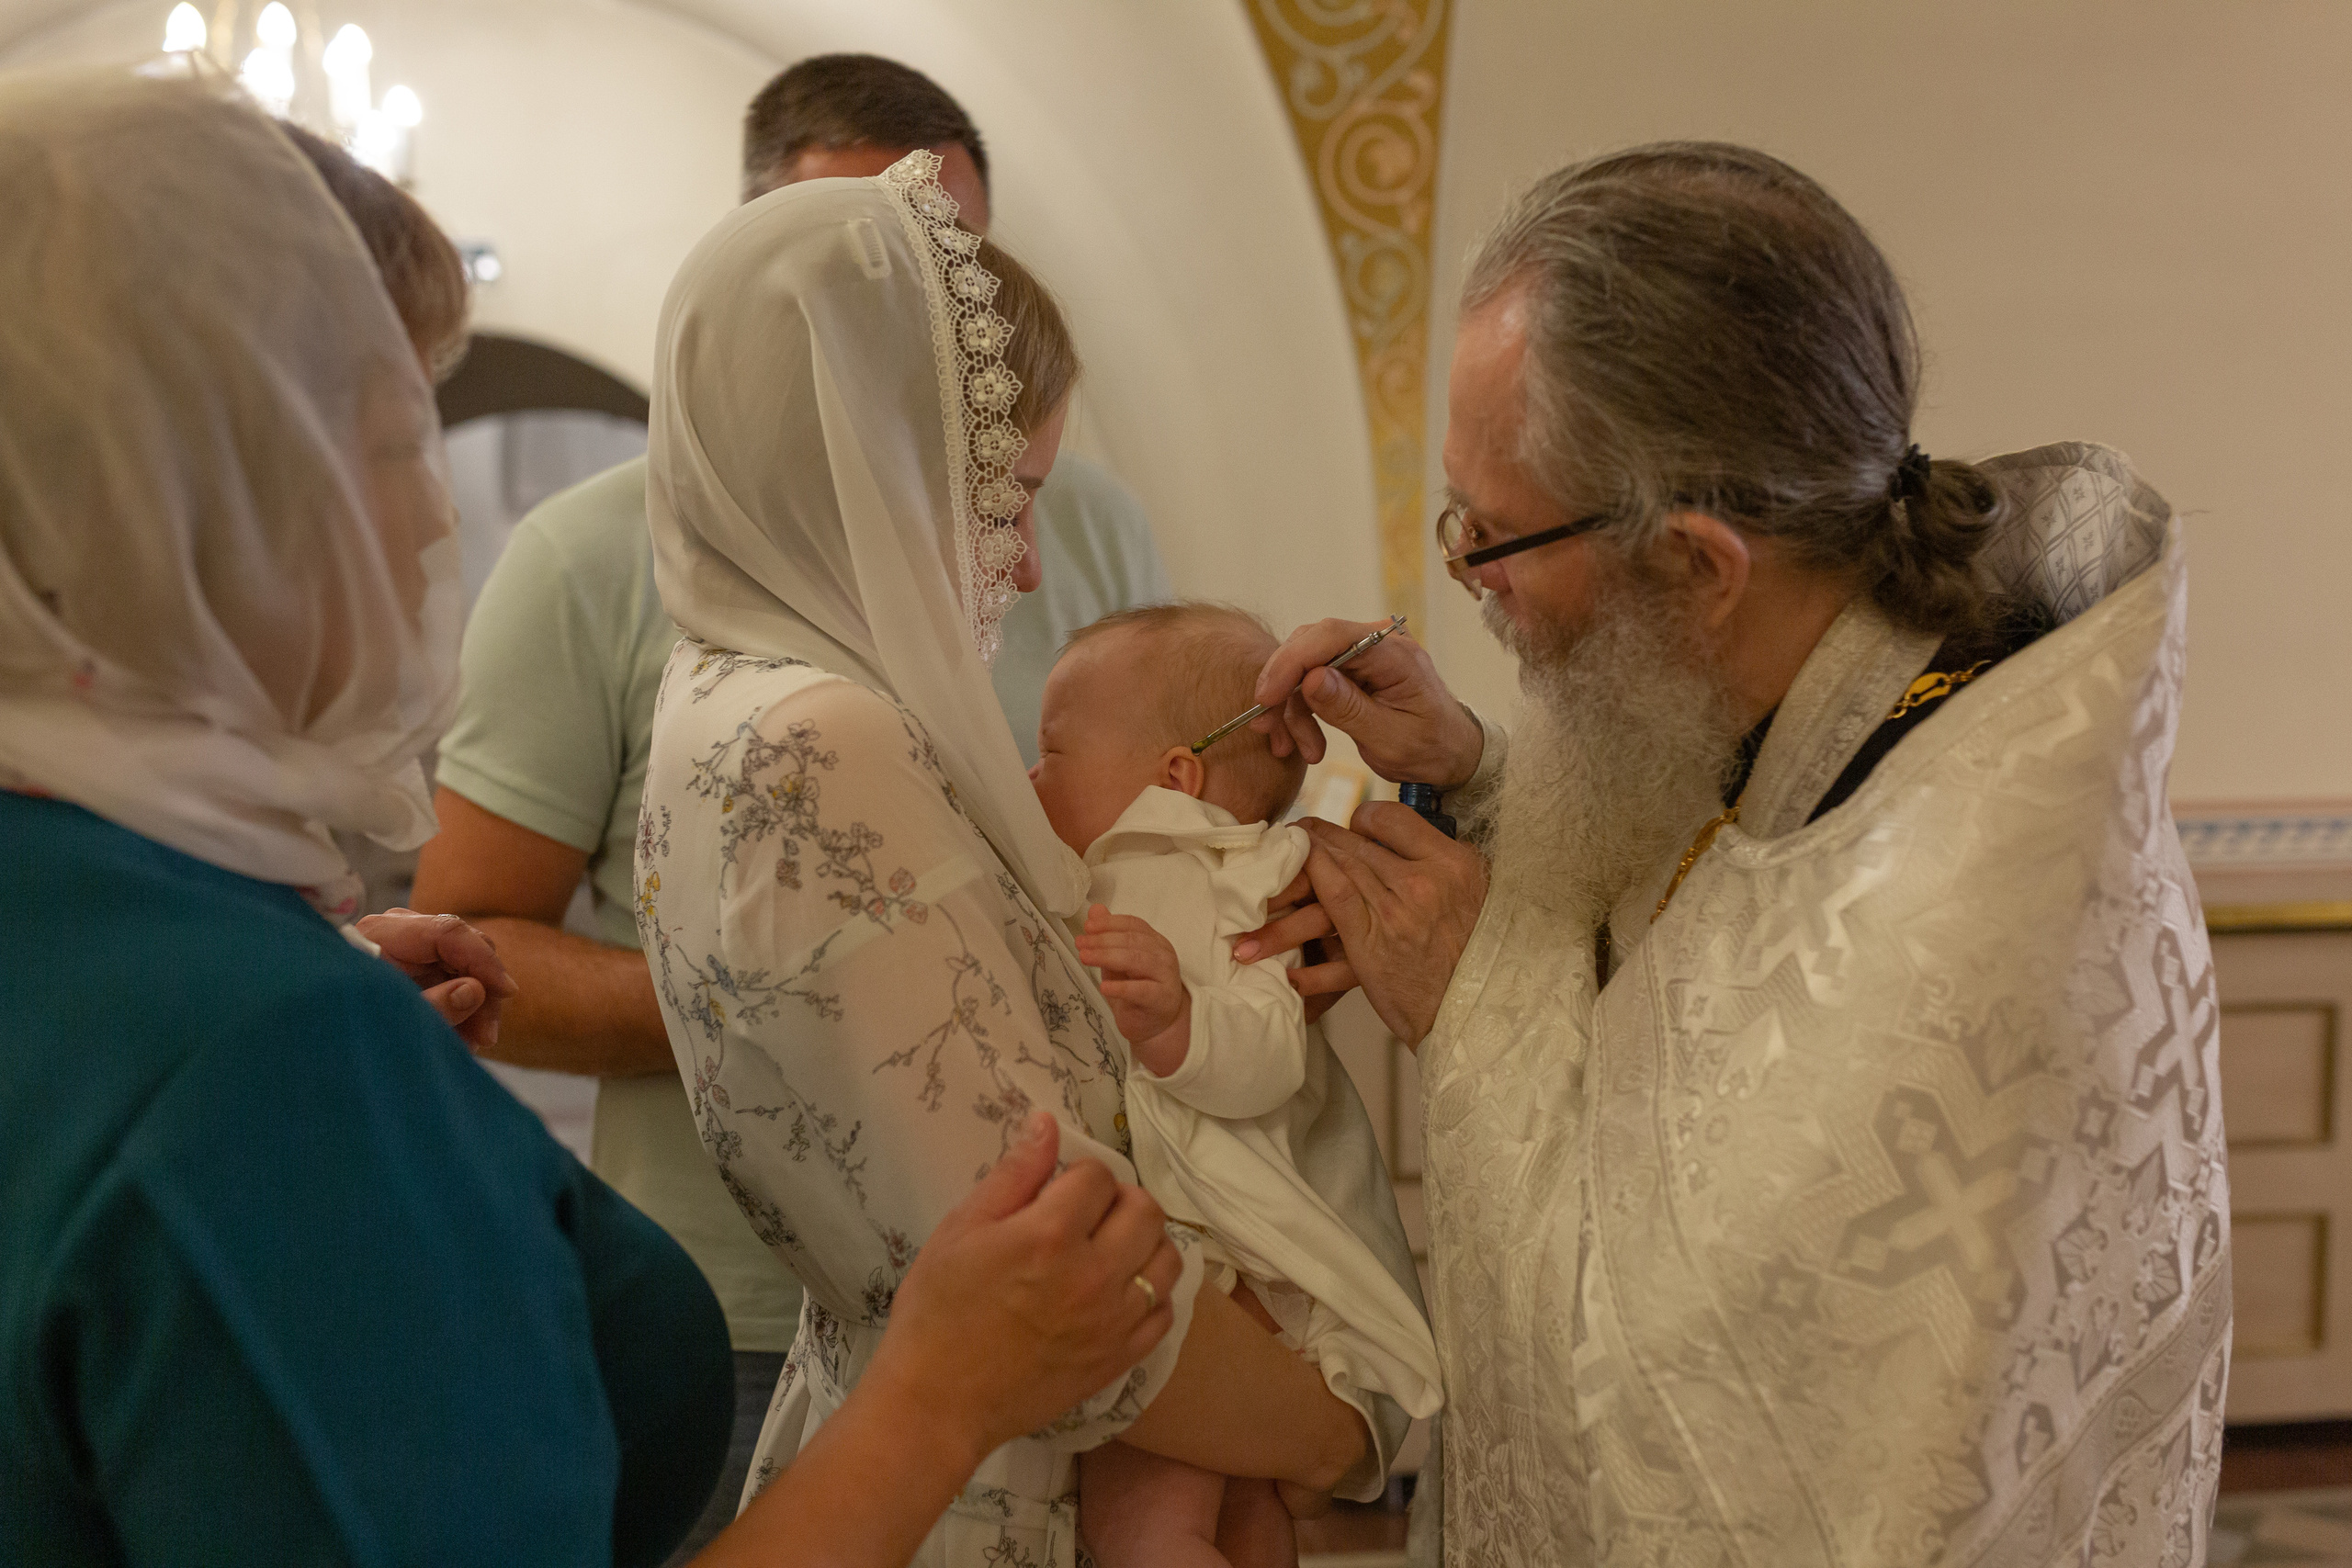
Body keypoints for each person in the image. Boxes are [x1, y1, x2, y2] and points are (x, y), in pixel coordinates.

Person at [0, 67, 1183, 1568]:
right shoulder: (261, 1052)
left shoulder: (113, 918)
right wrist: (938, 1395)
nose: (431, 517)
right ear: (194, 493)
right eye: (390, 435)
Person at [1240, 143, 2232, 1563]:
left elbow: (1696, 1433)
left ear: (1698, 564)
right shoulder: (1833, 692)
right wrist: (1475, 774)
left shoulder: (1952, 905)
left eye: (1491, 534)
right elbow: (1707, 947)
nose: (1468, 575)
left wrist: (1477, 1005)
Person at [409, 58, 1169, 1541]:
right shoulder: (597, 567)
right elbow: (471, 936)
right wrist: (812, 992)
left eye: (940, 260)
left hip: (1045, 1271)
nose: (902, 311)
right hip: (749, 1289)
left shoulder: (1084, 528)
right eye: (853, 264)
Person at [635, 151, 1368, 1568]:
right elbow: (1060, 1267)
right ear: (871, 462)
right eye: (1007, 493)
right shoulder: (819, 738)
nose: (1029, 564)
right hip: (991, 1489)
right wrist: (1345, 1432)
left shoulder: (718, 689)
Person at [1033, 604, 1442, 1568]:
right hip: (1205, 1242)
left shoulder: (1245, 879)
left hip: (1233, 1252)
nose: (1029, 776)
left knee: (1147, 1528)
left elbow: (1269, 1053)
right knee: (1245, 1517)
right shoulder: (1097, 876)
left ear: (1175, 778)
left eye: (1050, 752)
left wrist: (1181, 1023)